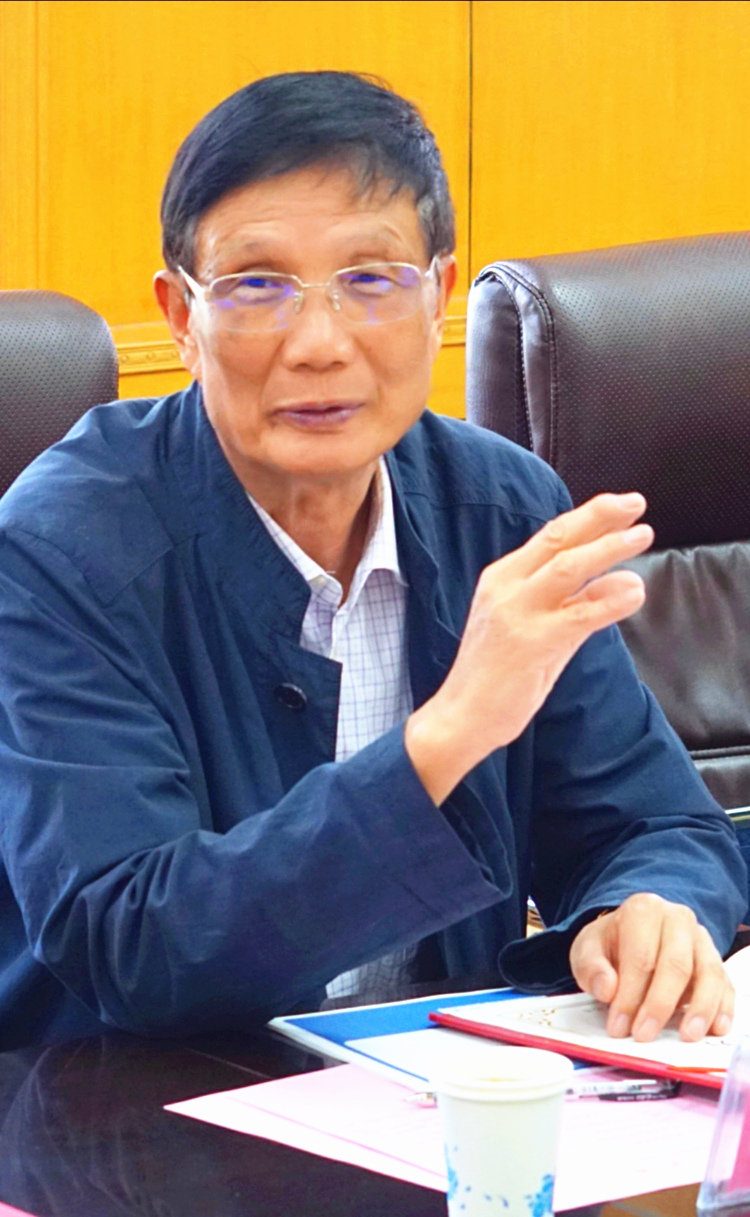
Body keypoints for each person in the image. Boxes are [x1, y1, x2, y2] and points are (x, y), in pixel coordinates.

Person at [0, 71, 744, 1052]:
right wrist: (447, 733)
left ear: (438, 296)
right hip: (131, 1114)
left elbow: (657, 825)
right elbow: (133, 943)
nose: (319, 343)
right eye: (256, 285)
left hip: (430, 1100)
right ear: (180, 317)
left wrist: (644, 908)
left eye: (371, 280)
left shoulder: (504, 509)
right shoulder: (64, 545)